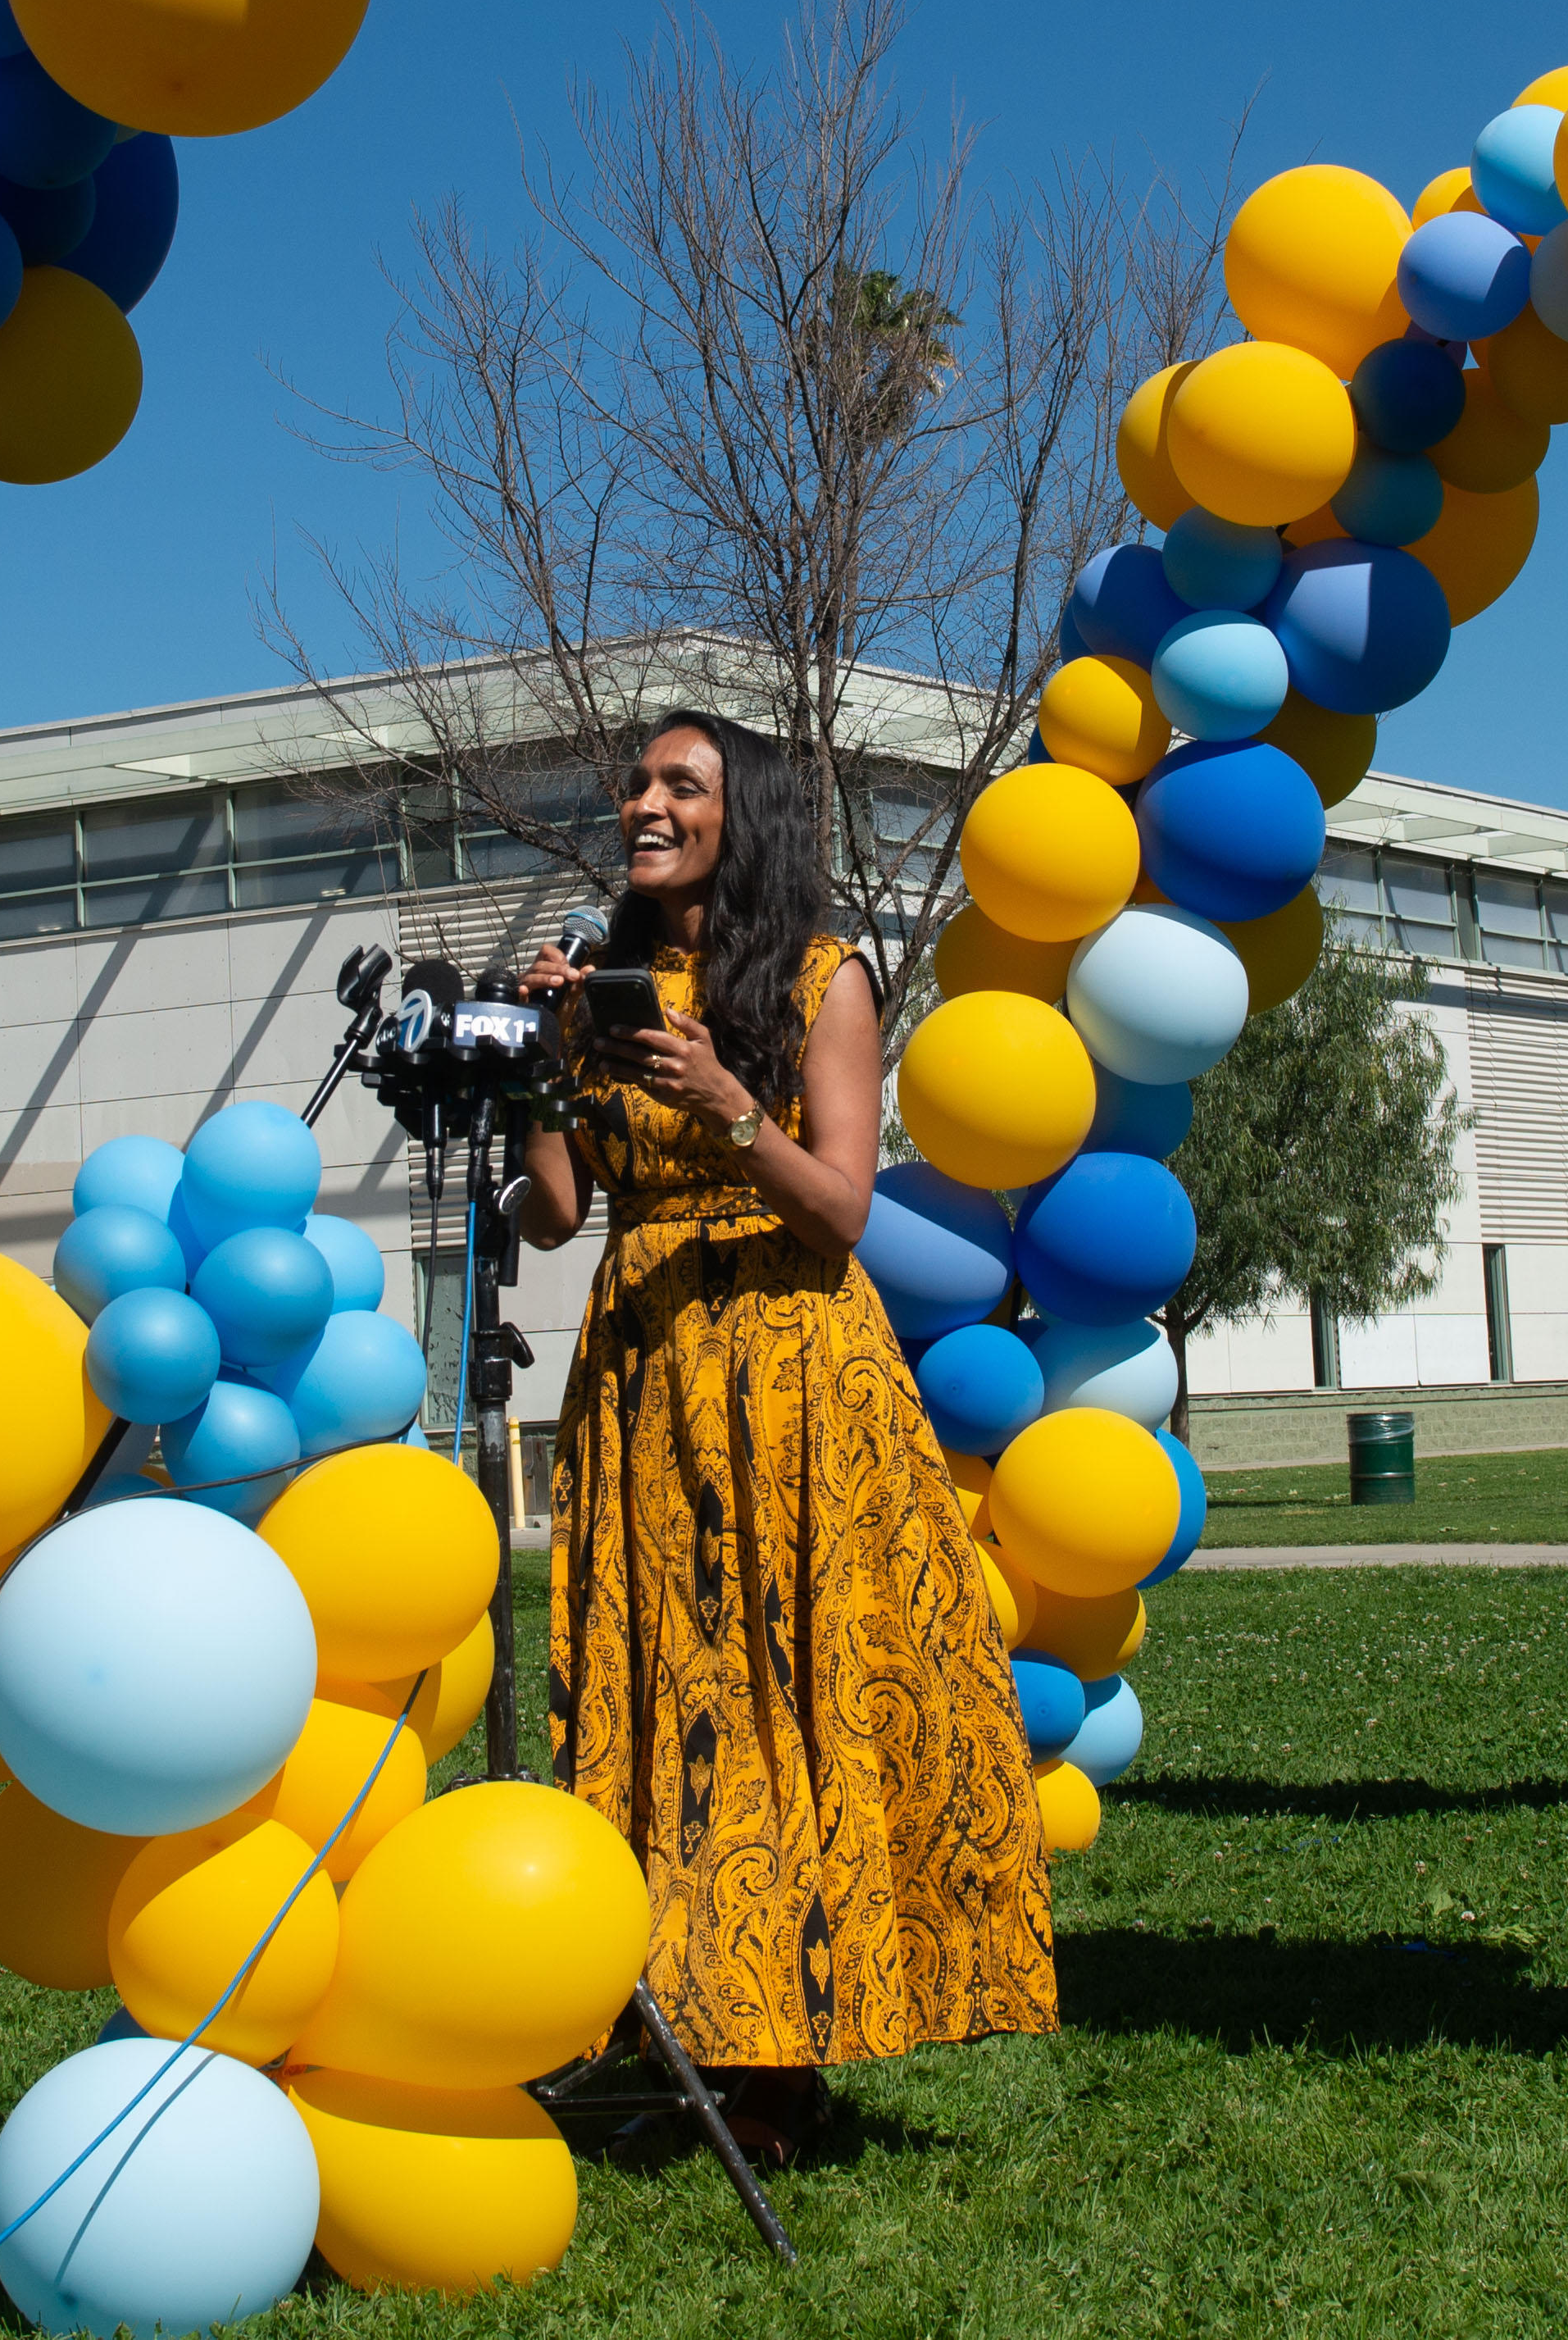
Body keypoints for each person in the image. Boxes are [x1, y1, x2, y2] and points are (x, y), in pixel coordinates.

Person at [507, 708, 1054, 2164]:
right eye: (635, 781)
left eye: (679, 783)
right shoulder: (598, 994)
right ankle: (663, 2011)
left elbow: (844, 1210)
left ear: (741, 815)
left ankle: (786, 2047)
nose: (643, 802)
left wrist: (731, 1106)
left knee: (778, 1684)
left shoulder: (824, 977)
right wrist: (523, 1078)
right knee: (656, 1683)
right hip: (641, 1369)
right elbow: (559, 1211)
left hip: (795, 1373)